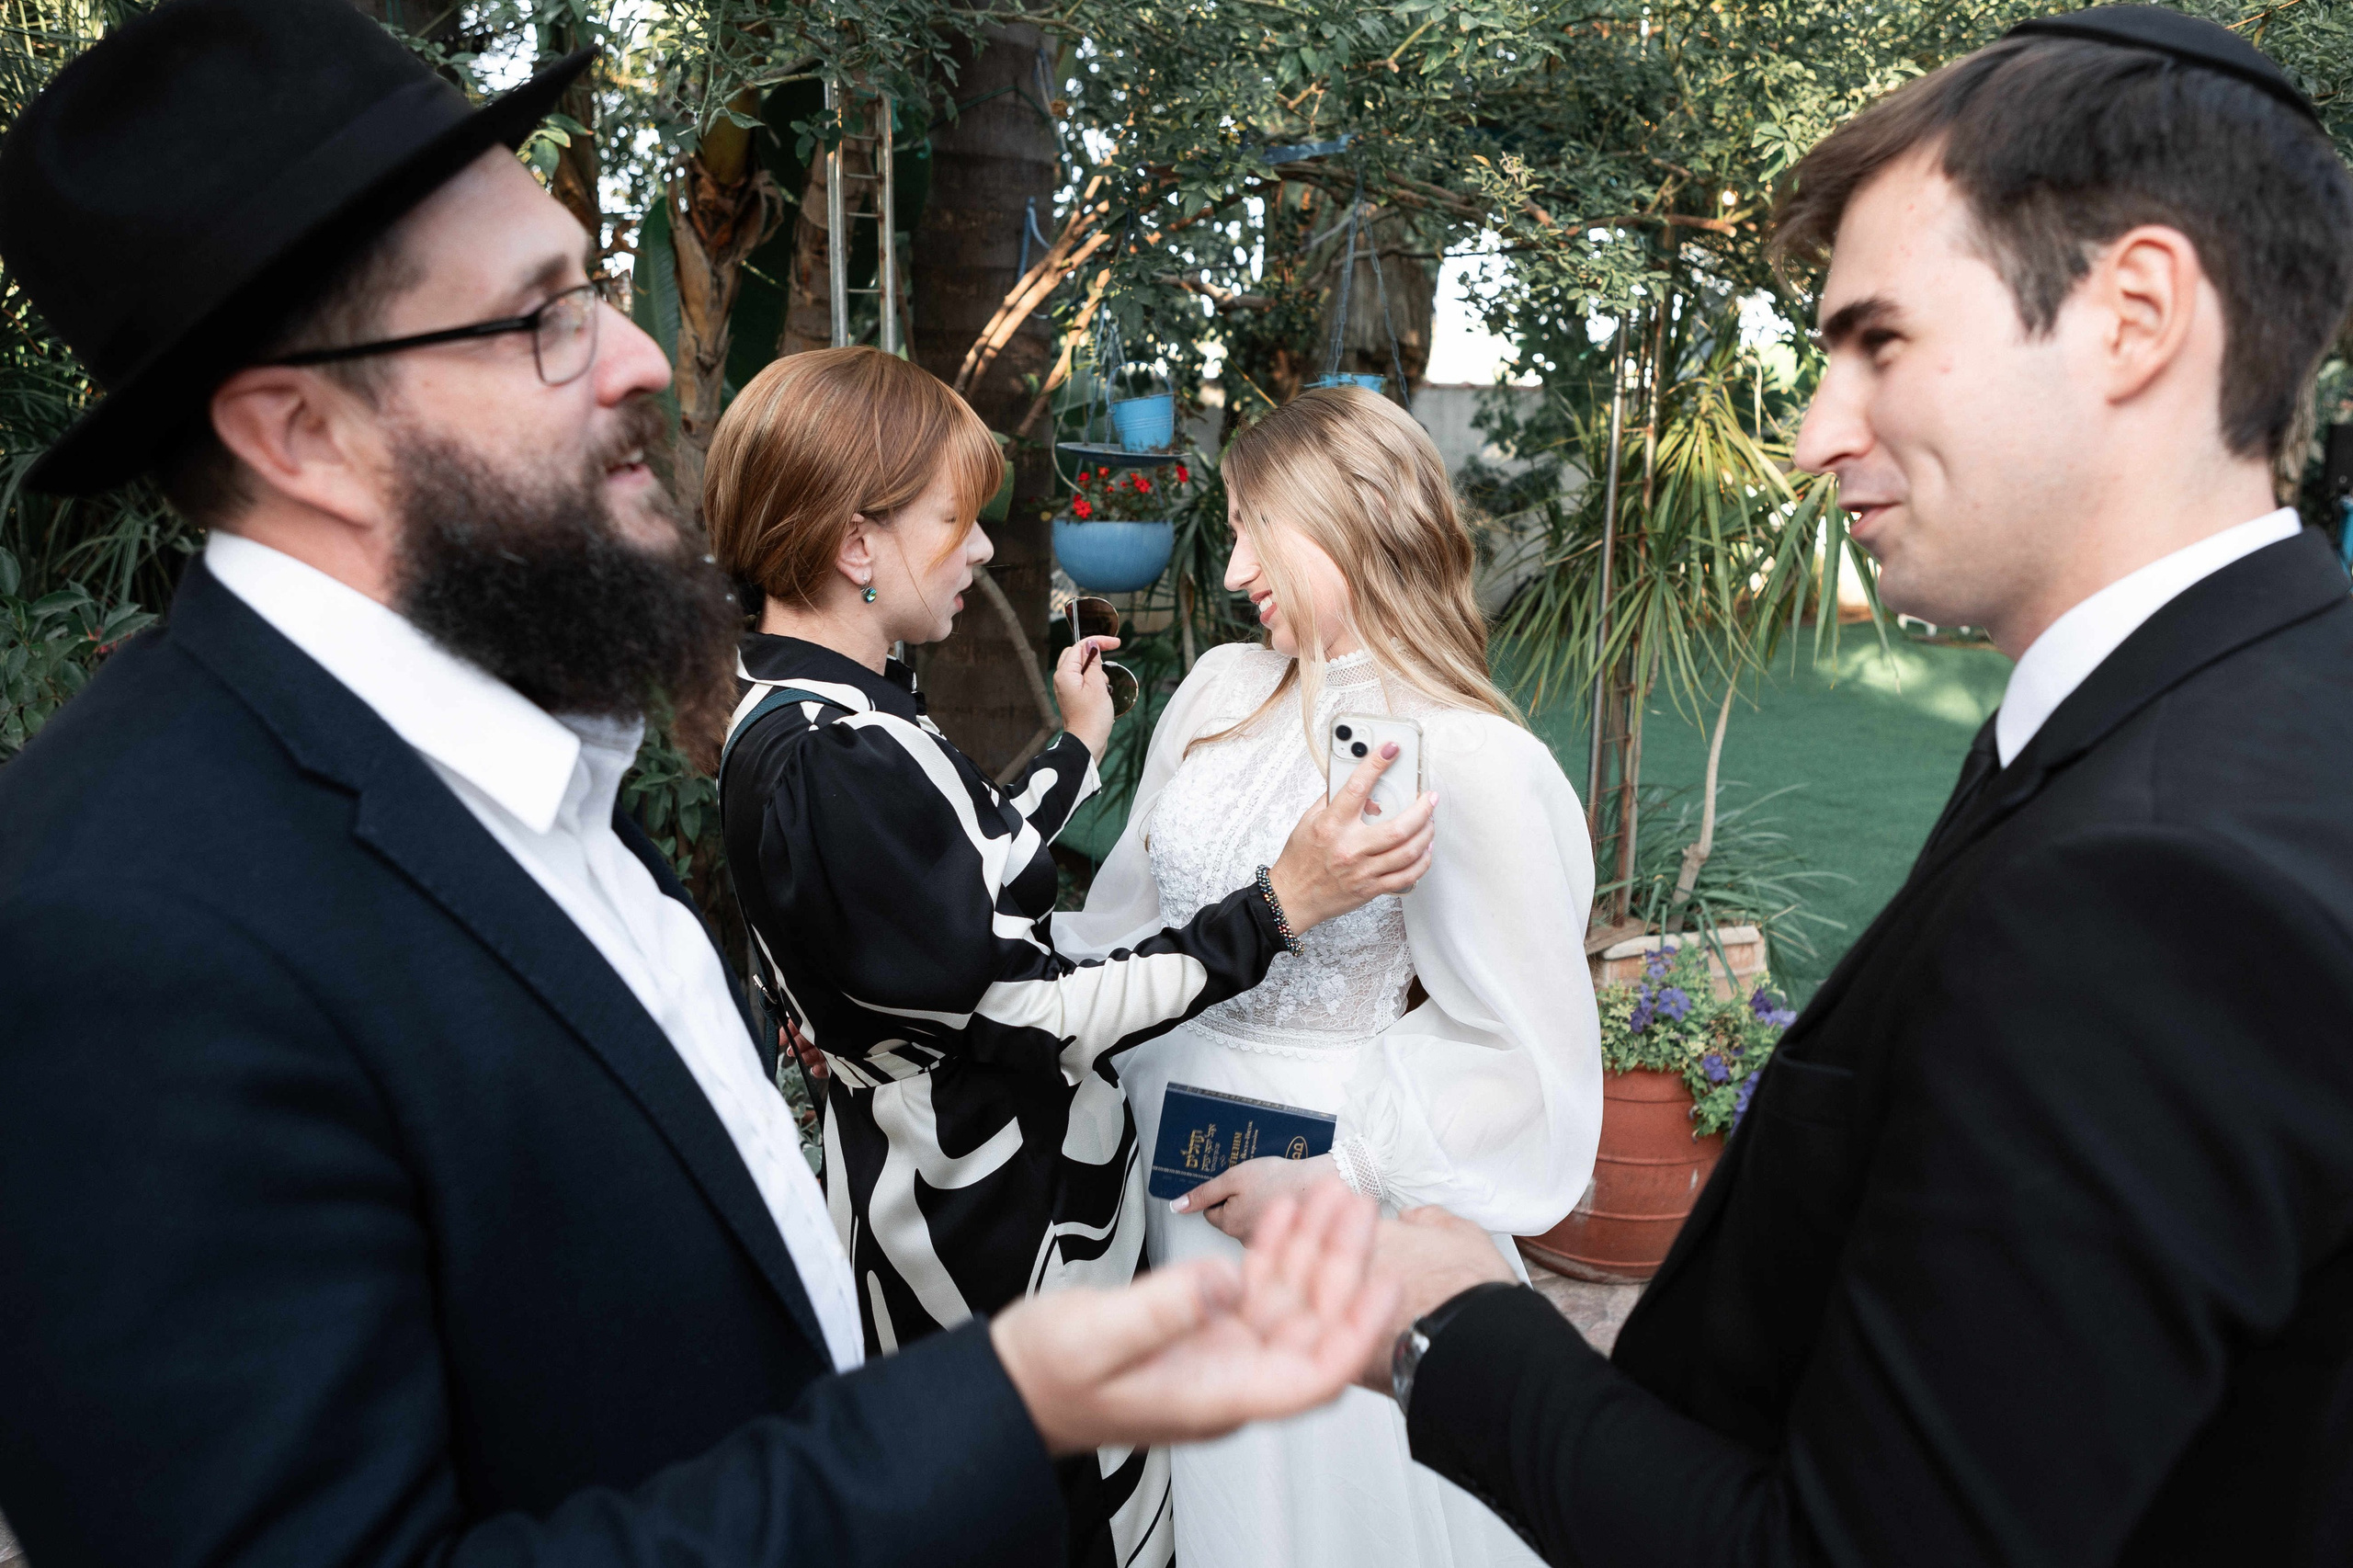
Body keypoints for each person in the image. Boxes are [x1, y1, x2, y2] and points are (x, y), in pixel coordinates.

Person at [0, 6, 1403, 1565]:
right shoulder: (117, 935)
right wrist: (990, 1409)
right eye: (542, 318)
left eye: (594, 292)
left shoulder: (522, 763)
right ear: (301, 431)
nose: (643, 356)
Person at [1360, 10, 2353, 1565]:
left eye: (1878, 342)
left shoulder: (2152, 887)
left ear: (2136, 314)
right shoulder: (2262, 703)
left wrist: (1453, 1331)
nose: (1817, 435)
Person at [700, 347, 1438, 1568]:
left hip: (973, 1181)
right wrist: (1275, 908)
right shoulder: (831, 757)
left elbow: (961, 866)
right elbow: (1029, 1009)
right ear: (855, 543)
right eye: (955, 520)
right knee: (1056, 1511)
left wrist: (1077, 745)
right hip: (978, 1216)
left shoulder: (831, 707)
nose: (983, 548)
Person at [1055, 384, 1604, 1568]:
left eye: (1257, 529)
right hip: (1158, 1163)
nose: (1235, 567)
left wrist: (1336, 1176)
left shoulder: (1468, 753)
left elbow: (1525, 1049)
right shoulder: (1218, 688)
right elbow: (1128, 921)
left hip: (1324, 1191)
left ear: (1347, 523)